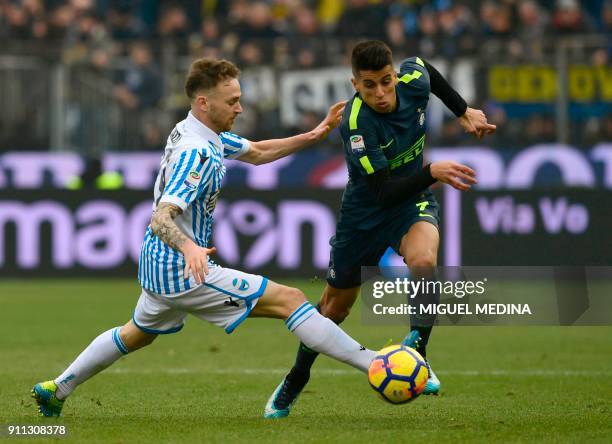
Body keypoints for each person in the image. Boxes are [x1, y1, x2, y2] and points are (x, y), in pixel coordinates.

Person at [31, 58, 379, 417]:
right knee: (290, 299)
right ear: (204, 103)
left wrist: (314, 134)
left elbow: (257, 153)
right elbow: (159, 218)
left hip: (156, 265)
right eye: (231, 102)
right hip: (181, 268)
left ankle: (56, 389)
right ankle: (377, 366)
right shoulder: (196, 154)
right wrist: (189, 248)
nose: (240, 108)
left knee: (137, 333)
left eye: (238, 99)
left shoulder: (198, 132)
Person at [264, 40, 496, 419]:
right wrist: (431, 172)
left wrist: (462, 110)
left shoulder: (412, 80)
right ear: (355, 84)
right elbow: (383, 192)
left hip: (411, 203)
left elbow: (426, 68)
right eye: (369, 85)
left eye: (386, 81)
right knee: (334, 309)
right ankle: (296, 377)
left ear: (395, 75)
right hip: (365, 214)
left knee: (423, 260)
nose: (381, 93)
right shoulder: (357, 124)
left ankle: (416, 354)